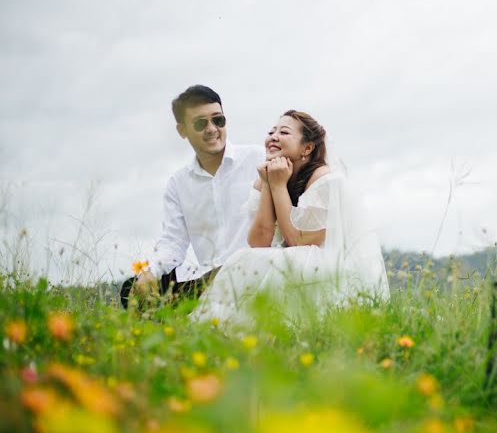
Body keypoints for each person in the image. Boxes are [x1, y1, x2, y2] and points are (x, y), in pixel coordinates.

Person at [192, 110, 389, 324]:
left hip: (332, 263)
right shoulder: (267, 176)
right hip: (298, 259)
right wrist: (268, 184)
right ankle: (221, 327)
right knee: (243, 259)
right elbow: (259, 242)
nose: (273, 137)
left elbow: (298, 241)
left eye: (284, 132)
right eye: (271, 131)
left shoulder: (324, 179)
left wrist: (278, 186)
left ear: (307, 148)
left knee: (250, 262)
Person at [120, 85, 264, 308]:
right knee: (131, 289)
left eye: (218, 120)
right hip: (206, 279)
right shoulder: (178, 184)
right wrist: (150, 272)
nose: (211, 129)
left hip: (253, 271)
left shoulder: (258, 159)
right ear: (182, 130)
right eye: (200, 123)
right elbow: (173, 242)